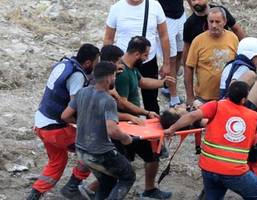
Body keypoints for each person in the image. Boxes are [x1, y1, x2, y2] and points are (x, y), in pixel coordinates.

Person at [164, 81, 257, 200]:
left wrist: (171, 129)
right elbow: (255, 142)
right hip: (234, 172)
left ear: (228, 94)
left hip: (208, 168)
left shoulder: (216, 106)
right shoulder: (253, 116)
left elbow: (192, 116)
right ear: (243, 100)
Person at [27, 44, 100, 200]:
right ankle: (73, 188)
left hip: (41, 123)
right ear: (88, 63)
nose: (95, 66)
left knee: (58, 161)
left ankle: (34, 195)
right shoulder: (77, 76)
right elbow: (74, 107)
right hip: (55, 129)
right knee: (92, 148)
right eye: (95, 62)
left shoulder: (64, 63)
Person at [61, 61, 136, 200]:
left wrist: (85, 123)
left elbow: (65, 116)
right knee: (128, 177)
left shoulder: (81, 92)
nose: (115, 79)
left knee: (107, 182)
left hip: (82, 151)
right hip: (100, 153)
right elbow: (112, 131)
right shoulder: (108, 101)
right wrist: (126, 138)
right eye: (114, 76)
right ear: (108, 78)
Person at [115, 36, 174, 199]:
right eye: (145, 55)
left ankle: (149, 189)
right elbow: (122, 103)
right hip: (127, 125)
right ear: (136, 54)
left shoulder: (131, 68)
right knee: (129, 161)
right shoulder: (123, 74)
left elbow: (143, 82)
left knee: (143, 157)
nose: (147, 58)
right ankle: (149, 190)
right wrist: (146, 112)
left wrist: (162, 83)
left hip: (132, 123)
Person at [104, 0, 170, 114]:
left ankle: (152, 124)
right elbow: (108, 38)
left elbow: (163, 36)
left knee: (151, 100)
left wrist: (167, 63)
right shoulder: (116, 8)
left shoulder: (155, 5)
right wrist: (107, 66)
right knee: (123, 101)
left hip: (148, 61)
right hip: (123, 64)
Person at [182, 0, 245, 87]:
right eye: (193, 0)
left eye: (217, 22)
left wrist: (245, 50)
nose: (196, 3)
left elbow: (237, 29)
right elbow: (187, 58)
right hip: (206, 70)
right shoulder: (189, 24)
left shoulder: (220, 12)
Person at [185, 7, 239, 106]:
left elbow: (238, 65)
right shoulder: (198, 41)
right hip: (203, 99)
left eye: (218, 21)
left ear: (225, 22)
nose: (214, 25)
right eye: (211, 21)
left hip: (227, 98)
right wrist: (190, 96)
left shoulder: (233, 38)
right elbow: (189, 67)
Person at [220, 37, 257, 111]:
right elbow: (233, 87)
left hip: (223, 102)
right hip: (231, 107)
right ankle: (250, 114)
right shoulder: (244, 68)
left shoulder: (231, 65)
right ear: (250, 56)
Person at [158, 0, 187, 107]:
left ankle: (166, 85)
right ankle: (174, 99)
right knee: (171, 59)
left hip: (181, 15)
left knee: (180, 52)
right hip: (166, 18)